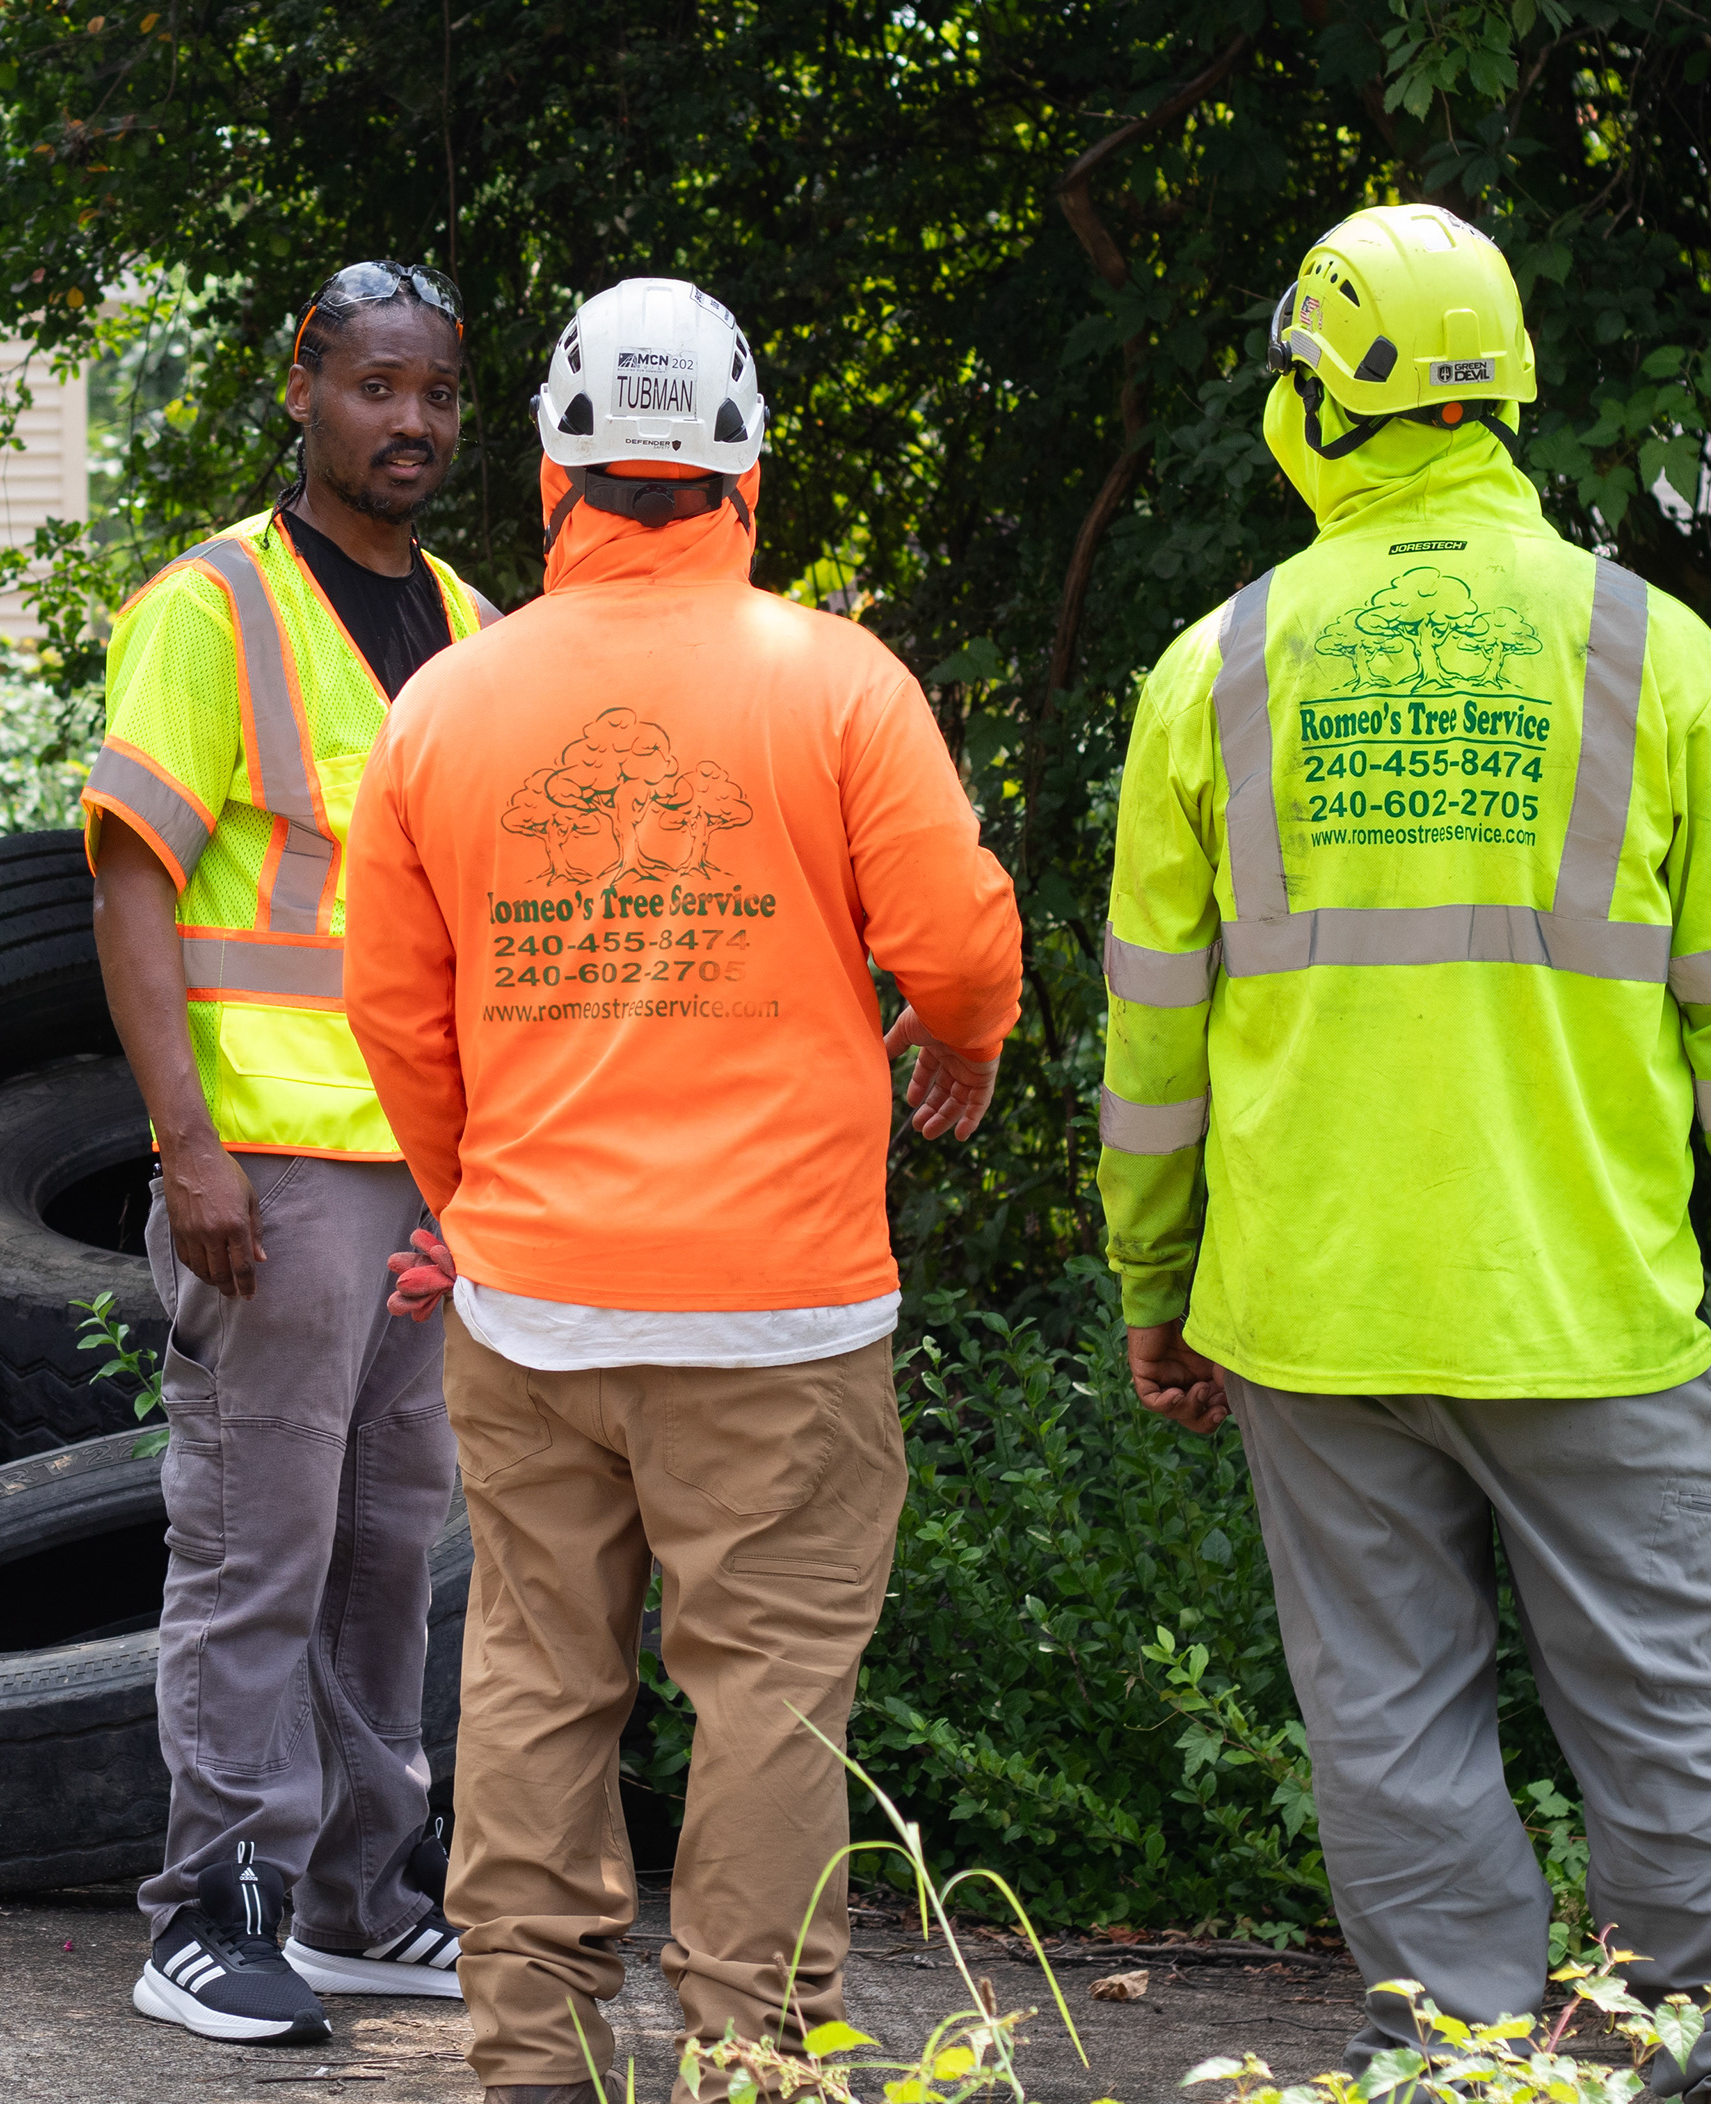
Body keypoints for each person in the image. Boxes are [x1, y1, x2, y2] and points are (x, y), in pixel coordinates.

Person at [1099, 203, 1711, 2092]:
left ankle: (1459, 2059)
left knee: (1389, 1725)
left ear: (1319, 403)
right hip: (1593, 1302)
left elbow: (1154, 1045)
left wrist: (1156, 1282)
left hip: (1316, 1312)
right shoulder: (1657, 657)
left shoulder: (1218, 669)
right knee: (1669, 1717)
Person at [340, 276, 1025, 2104]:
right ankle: (750, 2061)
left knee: (535, 1677)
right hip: (783, 1314)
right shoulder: (838, 682)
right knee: (774, 1697)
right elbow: (960, 951)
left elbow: (395, 1012)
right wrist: (962, 1037)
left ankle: (532, 2062)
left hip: (532, 1305)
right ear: (745, 473)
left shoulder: (447, 704)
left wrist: (475, 1197)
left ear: (552, 473)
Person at [83, 258, 502, 2049]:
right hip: (274, 1164)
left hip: (429, 1181)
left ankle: (357, 1900)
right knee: (259, 1545)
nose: (409, 421)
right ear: (303, 393)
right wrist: (188, 1147)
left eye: (437, 393)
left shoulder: (476, 625)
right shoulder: (214, 608)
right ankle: (212, 1909)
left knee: (392, 1546)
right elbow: (131, 884)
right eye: (374, 386)